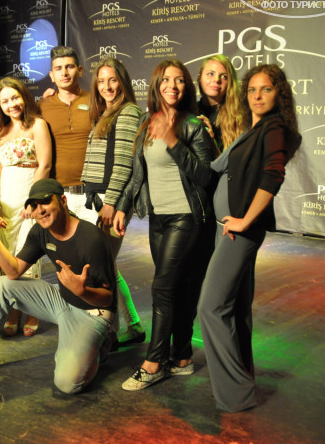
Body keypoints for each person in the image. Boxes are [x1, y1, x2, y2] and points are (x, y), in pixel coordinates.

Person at [0, 178, 116, 395]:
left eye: (46, 202)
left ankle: (99, 347)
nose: (40, 210)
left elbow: (108, 299)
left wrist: (82, 291)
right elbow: (13, 271)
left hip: (92, 313)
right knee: (3, 285)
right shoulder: (41, 231)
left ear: (63, 201)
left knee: (67, 384)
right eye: (34, 205)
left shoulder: (91, 239)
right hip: (61, 299)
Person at [198, 64, 301, 412]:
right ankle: (242, 385)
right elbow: (222, 169)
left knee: (211, 306)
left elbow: (274, 175)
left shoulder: (273, 128)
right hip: (224, 228)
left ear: (279, 93)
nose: (257, 96)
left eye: (266, 89)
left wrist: (245, 220)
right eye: (252, 90)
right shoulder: (253, 129)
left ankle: (234, 393)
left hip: (237, 232)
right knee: (235, 309)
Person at [113, 59, 215, 391]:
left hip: (187, 217)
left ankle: (154, 363)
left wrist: (173, 141)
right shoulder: (146, 123)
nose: (173, 85)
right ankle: (182, 357)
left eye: (180, 80)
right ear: (156, 85)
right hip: (158, 218)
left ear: (187, 86)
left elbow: (205, 176)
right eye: (166, 80)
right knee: (177, 288)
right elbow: (136, 174)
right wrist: (123, 207)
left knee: (161, 288)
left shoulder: (193, 126)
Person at [79, 57, 145, 346]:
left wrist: (113, 203)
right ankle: (132, 325)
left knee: (103, 268)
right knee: (108, 265)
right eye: (101, 81)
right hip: (99, 196)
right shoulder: (105, 112)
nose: (107, 86)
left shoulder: (128, 112)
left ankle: (109, 333)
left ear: (123, 82)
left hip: (110, 198)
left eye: (113, 80)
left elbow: (123, 163)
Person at [0, 77, 52, 337]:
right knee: (7, 258)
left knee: (28, 258)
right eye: (5, 101)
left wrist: (33, 201)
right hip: (6, 205)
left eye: (15, 97)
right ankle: (13, 311)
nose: (11, 104)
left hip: (29, 204)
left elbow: (44, 165)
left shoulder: (38, 125)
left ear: (24, 97)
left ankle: (33, 311)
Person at [38, 46, 98, 223]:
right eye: (58, 68)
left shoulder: (97, 101)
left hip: (92, 194)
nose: (64, 73)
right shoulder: (41, 106)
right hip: (57, 195)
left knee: (94, 241)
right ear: (52, 75)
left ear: (80, 70)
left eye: (69, 67)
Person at [196, 55, 245, 152]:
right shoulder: (189, 111)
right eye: (210, 74)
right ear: (199, 78)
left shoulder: (240, 116)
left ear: (230, 82)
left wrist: (211, 142)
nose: (217, 80)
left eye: (224, 76)